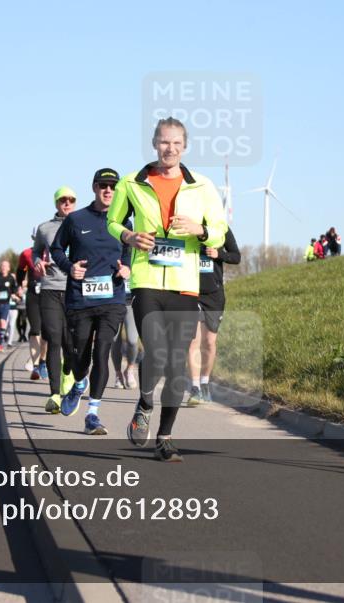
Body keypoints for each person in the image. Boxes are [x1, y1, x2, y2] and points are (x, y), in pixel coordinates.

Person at [107, 117, 227, 461]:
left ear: (184, 146)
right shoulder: (132, 182)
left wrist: (200, 229)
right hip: (146, 280)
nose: (169, 148)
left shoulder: (202, 186)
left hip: (185, 285)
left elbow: (219, 231)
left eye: (176, 143)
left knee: (176, 363)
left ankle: (165, 436)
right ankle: (145, 403)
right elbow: (113, 222)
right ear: (154, 143)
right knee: (156, 349)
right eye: (163, 142)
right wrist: (129, 236)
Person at [50, 168, 132, 434]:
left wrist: (127, 268)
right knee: (79, 359)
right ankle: (78, 383)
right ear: (94, 188)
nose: (108, 190)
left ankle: (93, 413)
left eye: (113, 186)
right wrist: (69, 266)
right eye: (103, 185)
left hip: (112, 299)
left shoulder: (124, 223)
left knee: (102, 353)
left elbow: (130, 249)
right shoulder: (75, 219)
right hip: (80, 301)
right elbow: (56, 249)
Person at [34, 188, 78, 413]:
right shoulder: (45, 228)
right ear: (56, 203)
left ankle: (68, 374)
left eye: (71, 200)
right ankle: (54, 394)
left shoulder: (82, 224)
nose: (67, 203)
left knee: (71, 345)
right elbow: (36, 252)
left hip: (74, 289)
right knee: (53, 339)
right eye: (63, 200)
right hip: (51, 288)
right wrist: (37, 262)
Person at [187, 226, 241, 404]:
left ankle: (204, 383)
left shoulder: (221, 228)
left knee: (209, 342)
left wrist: (219, 254)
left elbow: (236, 256)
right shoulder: (189, 225)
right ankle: (194, 388)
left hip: (214, 295)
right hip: (191, 291)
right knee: (193, 340)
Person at [18, 238, 47, 379]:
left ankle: (42, 361)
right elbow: (20, 271)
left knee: (47, 332)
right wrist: (19, 285)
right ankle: (36, 366)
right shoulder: (26, 253)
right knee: (35, 329)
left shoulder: (54, 252)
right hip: (33, 295)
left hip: (50, 295)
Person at [0, 259, 18, 353]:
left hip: (5, 304)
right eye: (2, 266)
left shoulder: (11, 278)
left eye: (5, 266)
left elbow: (14, 289)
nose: (3, 267)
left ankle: (0, 344)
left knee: (3, 323)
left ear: (9, 268)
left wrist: (15, 295)